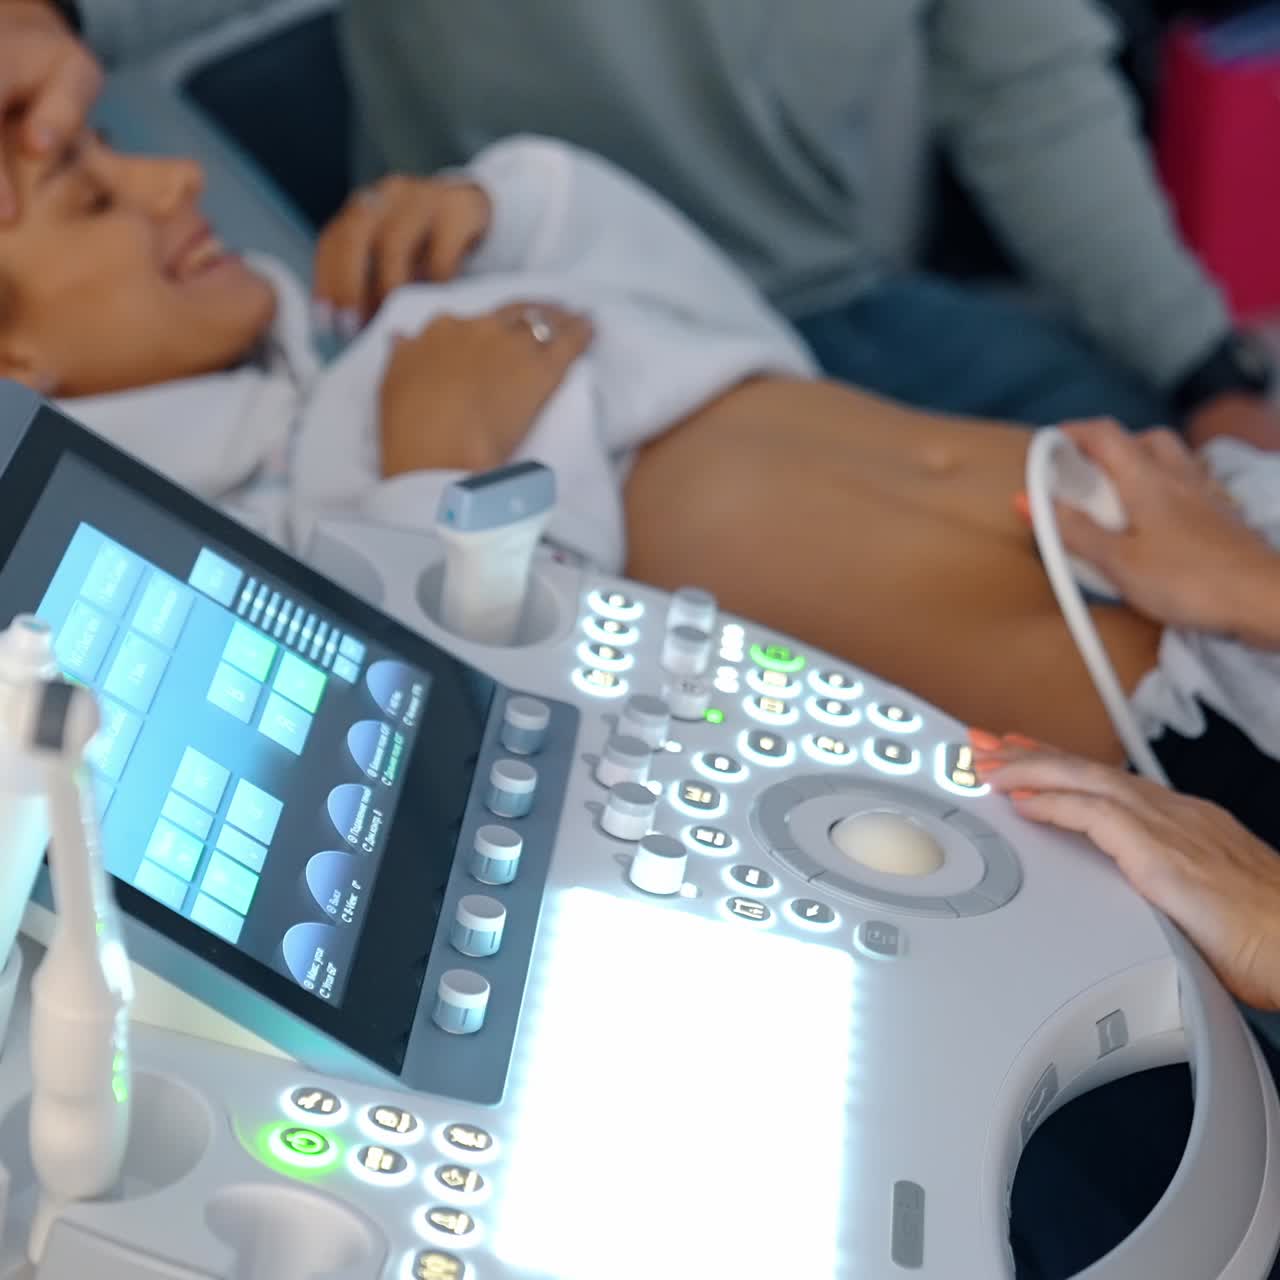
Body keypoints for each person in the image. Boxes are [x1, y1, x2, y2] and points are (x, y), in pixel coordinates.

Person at [2, 0, 1278, 450]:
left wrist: (1204, 368)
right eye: (88, 183)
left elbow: (1030, 93)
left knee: (1189, 501)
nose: (172, 186)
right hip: (524, 338)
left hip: (847, 303)